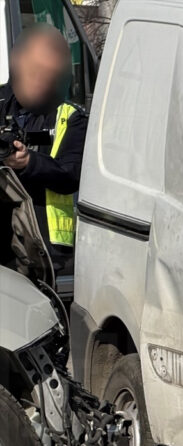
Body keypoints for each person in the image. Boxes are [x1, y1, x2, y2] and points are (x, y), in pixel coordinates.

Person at [0, 24, 87, 277]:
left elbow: (71, 174)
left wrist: (29, 162)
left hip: (42, 246)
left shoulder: (69, 117)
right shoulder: (3, 104)